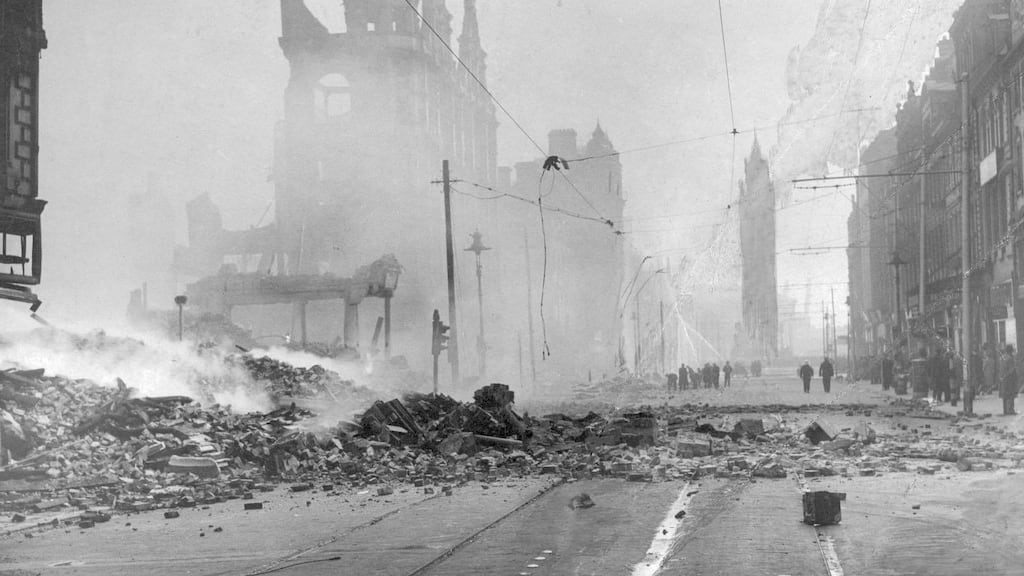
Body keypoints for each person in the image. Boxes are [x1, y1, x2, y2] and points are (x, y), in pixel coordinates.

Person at [999, 345, 1018, 415]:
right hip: (1009, 379)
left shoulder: (1002, 358)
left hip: (1003, 379)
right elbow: (1011, 370)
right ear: (1010, 351)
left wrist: (1002, 377)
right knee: (1010, 394)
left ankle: (1005, 410)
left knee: (1004, 395)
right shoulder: (1010, 358)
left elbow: (1001, 369)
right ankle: (1010, 410)